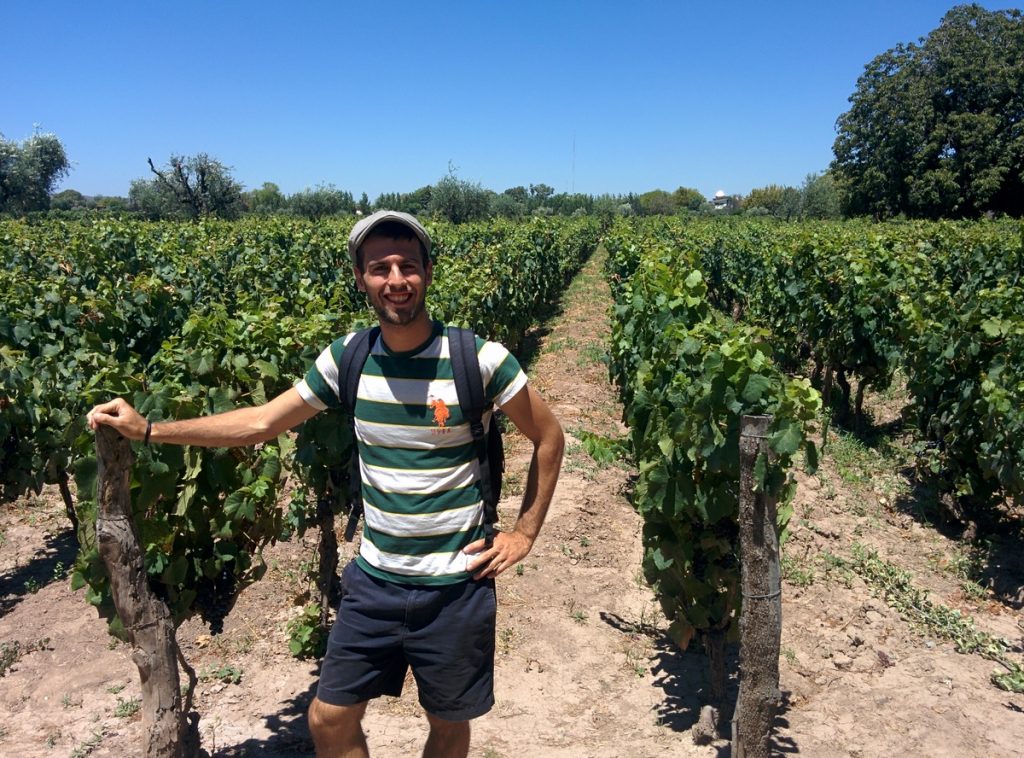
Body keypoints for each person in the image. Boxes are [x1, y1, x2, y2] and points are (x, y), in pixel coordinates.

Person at [87, 209, 565, 758]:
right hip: (374, 582)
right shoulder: (347, 359)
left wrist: (524, 533)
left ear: (428, 272)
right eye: (379, 267)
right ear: (361, 278)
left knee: (448, 724)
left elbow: (549, 437)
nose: (395, 280)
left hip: (456, 587)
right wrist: (149, 429)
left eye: (407, 265)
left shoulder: (477, 359)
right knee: (328, 718)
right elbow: (262, 422)